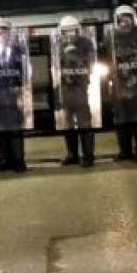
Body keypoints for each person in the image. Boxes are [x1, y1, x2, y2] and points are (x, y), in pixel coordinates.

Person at [110, 5, 137, 162]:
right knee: (121, 121)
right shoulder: (111, 36)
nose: (124, 22)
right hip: (120, 84)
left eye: (127, 18)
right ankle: (125, 150)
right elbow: (107, 58)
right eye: (121, 19)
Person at [0, 18, 28, 173]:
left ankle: (18, 160)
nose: (2, 35)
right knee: (1, 130)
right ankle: (7, 159)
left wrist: (20, 90)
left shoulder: (17, 50)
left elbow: (24, 73)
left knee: (15, 129)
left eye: (4, 31)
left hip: (13, 94)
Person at [54, 15, 97, 167]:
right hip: (65, 87)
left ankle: (88, 155)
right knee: (68, 122)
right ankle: (72, 154)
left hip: (81, 87)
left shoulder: (85, 43)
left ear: (77, 30)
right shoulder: (58, 44)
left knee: (84, 121)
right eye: (67, 31)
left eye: (72, 30)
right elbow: (55, 66)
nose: (70, 34)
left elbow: (91, 62)